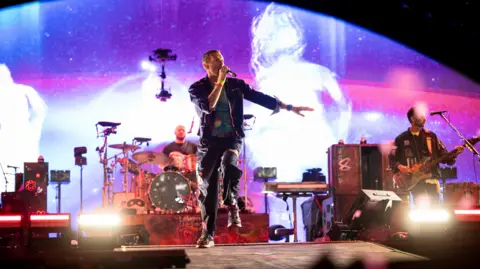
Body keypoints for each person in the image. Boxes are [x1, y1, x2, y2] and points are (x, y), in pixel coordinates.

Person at [188, 49, 314, 248]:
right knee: (208, 190)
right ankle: (208, 235)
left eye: (222, 59)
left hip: (232, 138)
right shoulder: (197, 89)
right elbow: (208, 106)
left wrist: (289, 107)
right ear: (206, 65)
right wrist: (220, 81)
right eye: (216, 61)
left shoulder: (236, 85)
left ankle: (232, 205)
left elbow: (259, 97)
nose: (221, 64)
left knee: (230, 166)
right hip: (209, 143)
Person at [389, 106, 464, 207]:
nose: (425, 118)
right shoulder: (401, 139)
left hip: (432, 179)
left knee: (435, 210)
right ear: (412, 119)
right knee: (421, 210)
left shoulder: (431, 136)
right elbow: (392, 158)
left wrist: (456, 153)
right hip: (414, 181)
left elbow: (444, 156)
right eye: (421, 116)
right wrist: (400, 167)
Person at [0, 64, 47, 193]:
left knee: (28, 180)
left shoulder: (25, 91)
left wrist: (34, 129)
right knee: (5, 180)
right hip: (6, 140)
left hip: (23, 138)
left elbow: (40, 110)